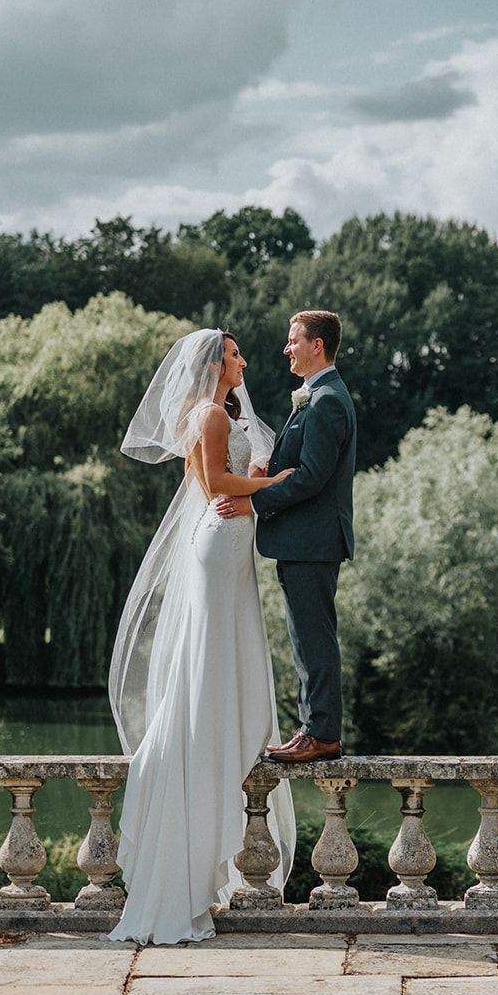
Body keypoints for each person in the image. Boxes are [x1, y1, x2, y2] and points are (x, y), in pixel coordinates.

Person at [106, 328, 296, 945]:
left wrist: (262, 472)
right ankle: (208, 739)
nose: (246, 361)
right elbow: (216, 486)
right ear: (218, 362)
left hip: (232, 546)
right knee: (212, 656)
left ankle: (221, 728)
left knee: (224, 650)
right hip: (220, 544)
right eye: (238, 353)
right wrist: (274, 485)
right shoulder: (211, 414)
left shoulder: (226, 412)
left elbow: (236, 470)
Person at [216, 310, 356, 764]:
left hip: (311, 541)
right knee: (305, 636)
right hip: (303, 541)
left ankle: (322, 734)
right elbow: (297, 465)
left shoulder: (327, 399)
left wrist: (253, 502)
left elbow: (313, 476)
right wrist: (265, 474)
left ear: (317, 345)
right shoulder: (314, 396)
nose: (286, 347)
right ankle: (312, 727)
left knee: (314, 637)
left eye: (293, 340)